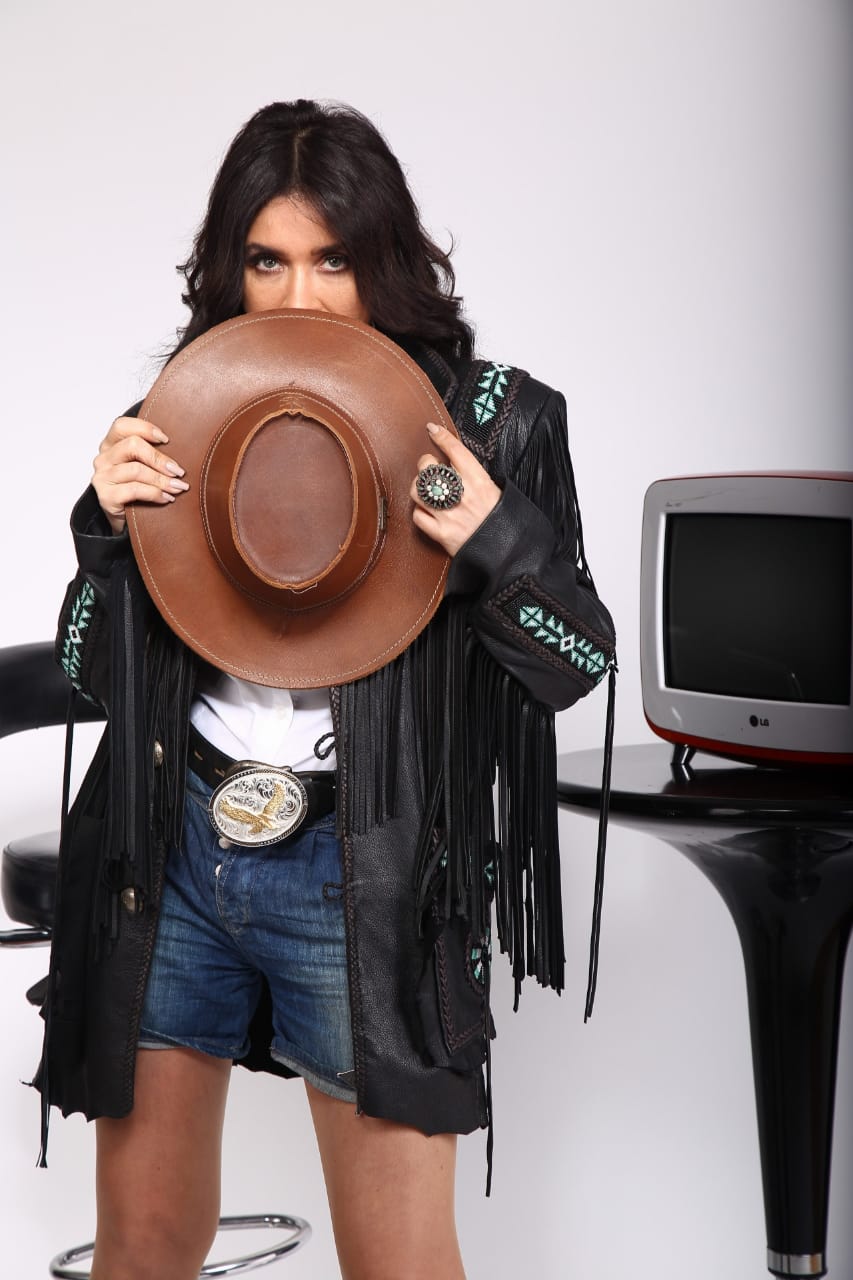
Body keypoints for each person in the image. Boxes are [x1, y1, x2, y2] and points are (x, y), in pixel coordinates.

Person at [38, 100, 616, 1280]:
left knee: (398, 1262)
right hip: (173, 849)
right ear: (230, 270)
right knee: (140, 1249)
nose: (298, 295)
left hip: (366, 869)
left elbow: (576, 661)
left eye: (332, 259)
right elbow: (89, 669)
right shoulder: (185, 412)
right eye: (267, 260)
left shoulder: (489, 425)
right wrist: (104, 530)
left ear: (383, 260)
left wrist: (495, 539)